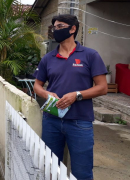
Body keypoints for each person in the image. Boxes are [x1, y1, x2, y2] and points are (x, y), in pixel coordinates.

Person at [33, 14, 107, 180]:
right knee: (50, 169)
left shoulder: (90, 55)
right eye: (54, 28)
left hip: (80, 122)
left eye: (60, 27)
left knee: (82, 172)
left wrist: (77, 95)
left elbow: (102, 87)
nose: (55, 31)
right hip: (51, 120)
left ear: (72, 29)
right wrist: (46, 93)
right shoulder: (48, 58)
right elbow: (37, 85)